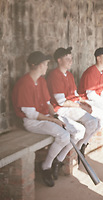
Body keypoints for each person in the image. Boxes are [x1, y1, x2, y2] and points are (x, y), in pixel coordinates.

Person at [12, 51, 85, 187]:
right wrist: (54, 120)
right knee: (63, 135)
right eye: (45, 64)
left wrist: (56, 116)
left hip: (47, 117)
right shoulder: (24, 83)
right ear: (37, 65)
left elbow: (47, 103)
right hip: (32, 122)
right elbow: (30, 114)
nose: (47, 66)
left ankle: (58, 159)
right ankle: (46, 166)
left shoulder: (41, 80)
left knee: (79, 130)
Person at [47, 47, 99, 159]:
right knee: (90, 123)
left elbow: (75, 95)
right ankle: (63, 156)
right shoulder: (54, 75)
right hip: (59, 109)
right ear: (59, 60)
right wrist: (80, 106)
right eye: (67, 59)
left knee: (96, 122)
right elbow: (61, 102)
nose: (71, 61)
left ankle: (79, 148)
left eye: (71, 58)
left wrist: (84, 103)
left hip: (71, 107)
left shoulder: (69, 75)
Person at [78, 47, 103, 146]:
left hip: (96, 99)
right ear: (98, 58)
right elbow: (90, 94)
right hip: (86, 100)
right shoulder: (91, 72)